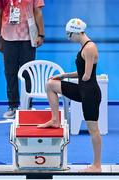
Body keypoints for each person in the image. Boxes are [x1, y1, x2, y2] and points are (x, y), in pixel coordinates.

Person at [38, 18, 102, 172]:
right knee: (51, 85)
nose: (68, 38)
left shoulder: (89, 48)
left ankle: (97, 165)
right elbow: (82, 75)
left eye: (69, 34)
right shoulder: (84, 47)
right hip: (83, 90)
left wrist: (70, 80)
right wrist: (63, 76)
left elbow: (86, 76)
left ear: (76, 32)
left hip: (90, 93)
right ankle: (55, 120)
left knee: (93, 129)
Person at [0, 0, 45, 119]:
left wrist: (41, 34)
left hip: (28, 37)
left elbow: (38, 12)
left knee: (28, 73)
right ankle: (12, 106)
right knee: (10, 73)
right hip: (7, 37)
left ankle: (27, 105)